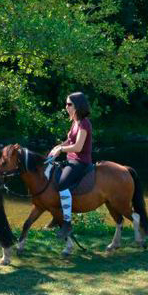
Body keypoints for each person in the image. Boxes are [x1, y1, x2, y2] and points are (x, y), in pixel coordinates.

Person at [48, 92, 94, 241]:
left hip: (81, 162)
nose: (66, 107)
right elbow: (69, 142)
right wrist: (57, 147)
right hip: (71, 159)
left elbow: (79, 147)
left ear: (77, 106)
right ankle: (57, 216)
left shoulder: (84, 123)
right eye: (66, 104)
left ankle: (67, 223)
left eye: (69, 104)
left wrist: (61, 150)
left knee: (62, 184)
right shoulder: (75, 121)